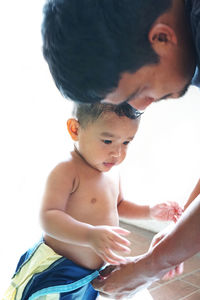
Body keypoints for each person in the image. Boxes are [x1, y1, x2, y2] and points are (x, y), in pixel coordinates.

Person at [41, 0, 200, 297]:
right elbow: (48, 216)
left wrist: (154, 263)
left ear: (162, 37)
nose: (141, 107)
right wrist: (174, 242)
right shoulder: (66, 170)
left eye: (137, 91)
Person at [3, 103, 182, 300]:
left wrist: (149, 211)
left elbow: (119, 205)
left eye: (126, 143)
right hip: (60, 268)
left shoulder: (112, 172)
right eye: (107, 141)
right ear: (75, 129)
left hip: (93, 273)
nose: (117, 153)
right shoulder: (67, 170)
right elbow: (48, 216)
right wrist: (88, 234)